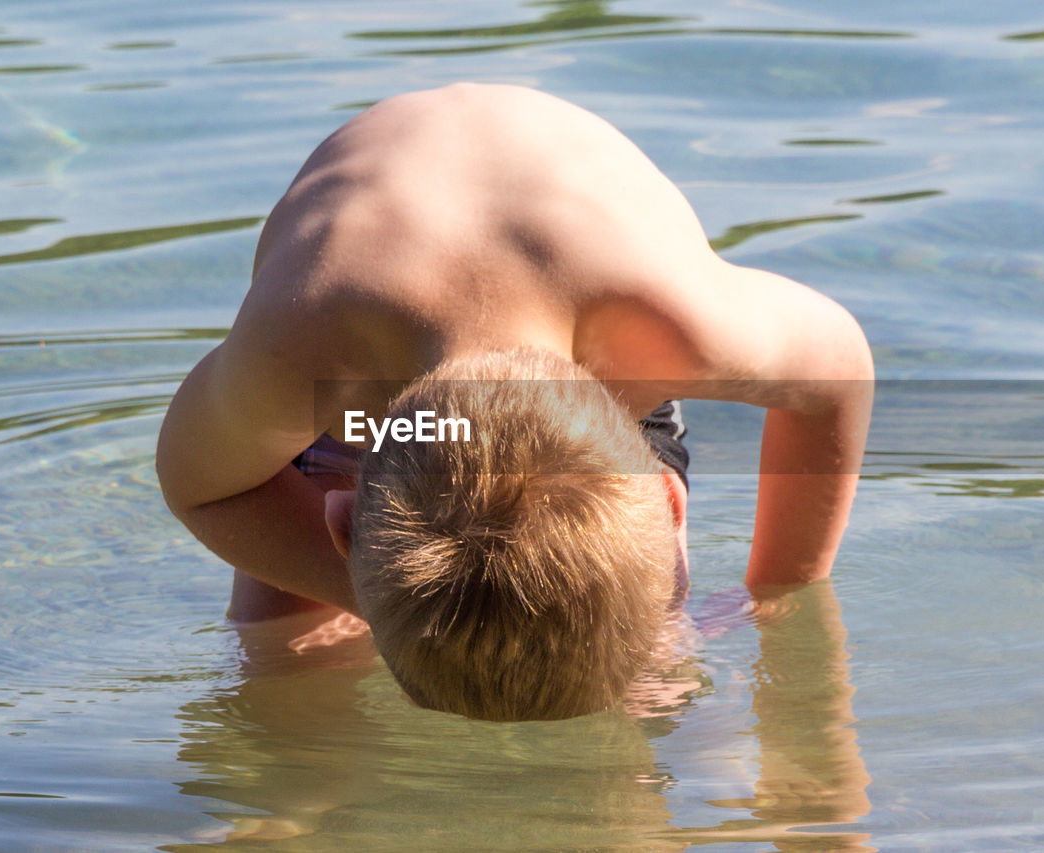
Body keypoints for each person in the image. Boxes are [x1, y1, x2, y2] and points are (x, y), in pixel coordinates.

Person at [156, 83, 873, 721]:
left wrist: (781, 591)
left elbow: (839, 372)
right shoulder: (308, 345)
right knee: (286, 661)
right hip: (361, 387)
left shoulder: (667, 328)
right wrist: (369, 596)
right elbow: (204, 487)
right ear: (337, 519)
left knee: (653, 665)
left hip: (597, 358)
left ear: (665, 498)